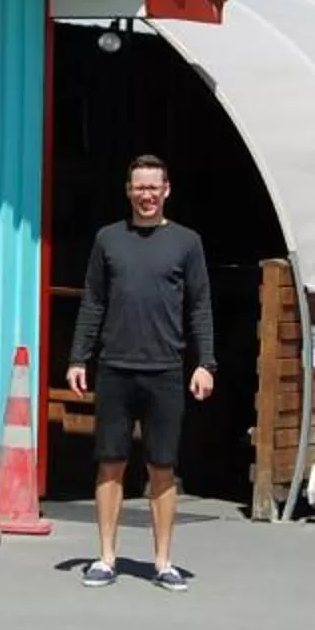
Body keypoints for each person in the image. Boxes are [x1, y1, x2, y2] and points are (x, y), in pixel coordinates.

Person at [66, 154, 214, 591]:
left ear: (167, 190)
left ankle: (163, 562)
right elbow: (93, 301)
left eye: (153, 187)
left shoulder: (187, 242)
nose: (146, 195)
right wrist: (78, 358)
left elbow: (199, 306)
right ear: (128, 191)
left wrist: (205, 363)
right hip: (115, 368)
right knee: (110, 463)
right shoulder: (108, 239)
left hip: (165, 370)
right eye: (139, 187)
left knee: (162, 467)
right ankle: (105, 558)